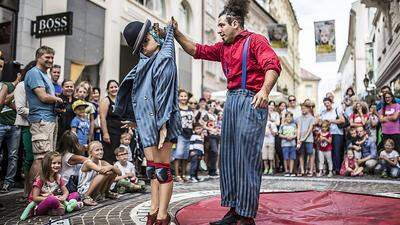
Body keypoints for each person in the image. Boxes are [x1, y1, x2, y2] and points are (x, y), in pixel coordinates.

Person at [172, 0, 281, 222]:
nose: (219, 30)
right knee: (229, 158)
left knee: (246, 159)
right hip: (231, 102)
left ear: (235, 23)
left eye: (222, 25)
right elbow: (196, 50)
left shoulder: (256, 41)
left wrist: (265, 91)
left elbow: (272, 65)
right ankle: (233, 209)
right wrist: (176, 33)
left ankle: (246, 215)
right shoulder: (223, 47)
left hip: (252, 101)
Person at [115, 20, 181, 225]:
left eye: (146, 40)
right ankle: (155, 212)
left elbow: (163, 96)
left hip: (163, 121)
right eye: (141, 44)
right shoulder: (149, 61)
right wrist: (138, 121)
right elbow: (145, 95)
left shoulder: (162, 59)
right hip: (150, 123)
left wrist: (163, 124)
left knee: (161, 169)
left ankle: (160, 214)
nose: (144, 46)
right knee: (154, 169)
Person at [24, 46, 63, 197]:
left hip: (49, 119)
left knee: (47, 158)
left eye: (52, 58)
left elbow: (47, 98)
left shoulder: (45, 75)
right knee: (40, 159)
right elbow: (42, 96)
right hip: (41, 121)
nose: (50, 60)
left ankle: (39, 192)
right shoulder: (34, 73)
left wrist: (57, 106)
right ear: (38, 57)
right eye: (47, 57)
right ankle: (30, 195)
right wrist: (58, 99)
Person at [28, 151, 80, 216]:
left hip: (56, 201)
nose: (57, 165)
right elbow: (35, 198)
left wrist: (63, 197)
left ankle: (67, 207)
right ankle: (66, 207)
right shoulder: (40, 179)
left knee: (75, 194)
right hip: (41, 205)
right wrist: (53, 198)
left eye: (59, 163)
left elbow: (66, 192)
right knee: (51, 200)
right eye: (54, 163)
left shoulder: (58, 177)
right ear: (47, 164)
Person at [14, 61, 37, 200]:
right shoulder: (22, 86)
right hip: (27, 125)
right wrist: (39, 112)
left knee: (38, 158)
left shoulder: (37, 85)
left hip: (39, 125)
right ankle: (27, 191)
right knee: (29, 158)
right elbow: (21, 109)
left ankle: (35, 189)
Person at [77, 141, 121, 206]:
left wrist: (111, 167)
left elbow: (119, 173)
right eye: (97, 150)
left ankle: (106, 192)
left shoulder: (102, 162)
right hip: (84, 190)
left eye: (101, 149)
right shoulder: (88, 163)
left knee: (112, 172)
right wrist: (111, 168)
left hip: (95, 188)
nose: (100, 152)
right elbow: (101, 170)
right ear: (90, 153)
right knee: (105, 173)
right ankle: (86, 196)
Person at [0, 72, 22, 193]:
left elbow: (17, 106)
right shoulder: (4, 85)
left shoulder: (21, 87)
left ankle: (8, 183)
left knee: (13, 156)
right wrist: (14, 88)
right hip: (1, 123)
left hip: (15, 125)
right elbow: (3, 101)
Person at [319, 97, 345, 174]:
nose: (327, 105)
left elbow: (342, 120)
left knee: (336, 151)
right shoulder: (323, 112)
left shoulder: (336, 110)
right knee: (328, 151)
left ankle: (336, 169)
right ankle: (329, 169)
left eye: (328, 103)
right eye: (325, 104)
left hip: (337, 133)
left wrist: (331, 121)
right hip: (327, 133)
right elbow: (321, 122)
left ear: (331, 103)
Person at [99, 80, 122, 163]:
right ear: (108, 90)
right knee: (109, 155)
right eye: (111, 87)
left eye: (115, 87)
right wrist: (105, 133)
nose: (114, 89)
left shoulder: (120, 100)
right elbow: (102, 118)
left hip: (120, 131)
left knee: (118, 154)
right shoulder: (106, 100)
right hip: (110, 132)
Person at [173, 90, 193, 182]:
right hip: (180, 133)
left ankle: (184, 174)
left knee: (185, 155)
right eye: (181, 96)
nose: (183, 98)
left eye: (185, 96)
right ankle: (177, 175)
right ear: (178, 97)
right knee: (178, 154)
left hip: (189, 134)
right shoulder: (176, 108)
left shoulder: (190, 108)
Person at [296, 102, 316, 177]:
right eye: (302, 109)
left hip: (309, 139)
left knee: (310, 154)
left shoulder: (311, 118)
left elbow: (310, 129)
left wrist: (303, 138)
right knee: (301, 154)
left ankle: (310, 170)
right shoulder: (299, 118)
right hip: (301, 139)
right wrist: (298, 139)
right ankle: (302, 170)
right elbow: (299, 128)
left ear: (308, 109)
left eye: (304, 108)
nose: (303, 110)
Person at [57, 79, 76, 144]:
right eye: (67, 86)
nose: (69, 88)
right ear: (62, 88)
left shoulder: (77, 101)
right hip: (60, 133)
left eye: (71, 86)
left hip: (73, 132)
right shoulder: (58, 99)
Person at [279, 112, 297, 176]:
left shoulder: (294, 125)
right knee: (285, 158)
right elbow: (280, 134)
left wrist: (292, 137)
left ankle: (291, 171)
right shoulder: (282, 125)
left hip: (292, 144)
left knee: (292, 157)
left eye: (290, 117)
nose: (289, 118)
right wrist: (285, 137)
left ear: (292, 118)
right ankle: (286, 170)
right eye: (287, 117)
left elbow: (296, 134)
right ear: (285, 118)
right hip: (285, 144)